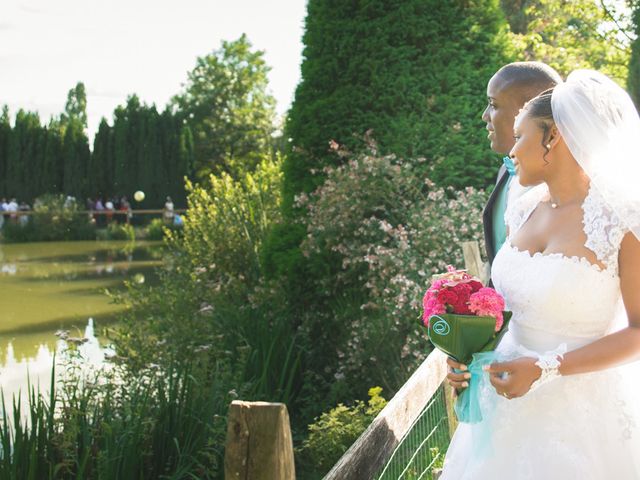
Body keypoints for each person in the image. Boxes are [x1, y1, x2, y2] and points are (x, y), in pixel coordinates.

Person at [440, 70, 640, 478]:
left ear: (553, 138)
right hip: (503, 411)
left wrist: (547, 368)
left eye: (520, 136)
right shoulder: (522, 208)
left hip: (582, 419)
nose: (511, 150)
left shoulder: (622, 221)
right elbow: (515, 306)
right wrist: (470, 358)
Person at [448, 62, 562, 395]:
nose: (485, 115)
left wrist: (546, 368)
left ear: (530, 110)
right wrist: (469, 348)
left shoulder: (580, 200)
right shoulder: (507, 176)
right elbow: (504, 281)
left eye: (494, 104)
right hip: (506, 373)